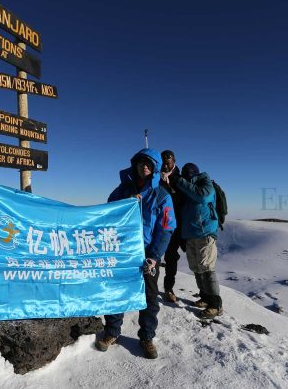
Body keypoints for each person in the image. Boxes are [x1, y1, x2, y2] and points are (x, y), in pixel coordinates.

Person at [95, 148, 176, 359]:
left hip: (148, 255)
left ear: (156, 168)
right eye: (140, 163)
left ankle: (147, 337)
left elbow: (166, 228)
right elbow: (106, 216)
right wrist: (126, 204)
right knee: (116, 293)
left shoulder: (161, 195)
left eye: (149, 163)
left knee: (149, 297)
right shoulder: (121, 191)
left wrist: (155, 256)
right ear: (135, 165)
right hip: (122, 253)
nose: (144, 166)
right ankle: (112, 332)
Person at [174, 163, 223, 318]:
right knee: (196, 267)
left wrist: (179, 181)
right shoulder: (185, 187)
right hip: (190, 234)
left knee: (207, 267)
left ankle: (216, 305)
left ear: (195, 173)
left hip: (205, 232)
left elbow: (202, 196)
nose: (186, 175)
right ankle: (205, 297)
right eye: (184, 173)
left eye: (188, 173)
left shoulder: (205, 182)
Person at [158, 150, 184, 303]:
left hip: (173, 226)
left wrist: (168, 187)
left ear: (174, 161)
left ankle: (168, 288)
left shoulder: (179, 179)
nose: (165, 164)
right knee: (150, 256)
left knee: (171, 257)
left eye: (168, 162)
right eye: (163, 162)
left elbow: (180, 201)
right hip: (156, 223)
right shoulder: (155, 177)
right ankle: (148, 288)